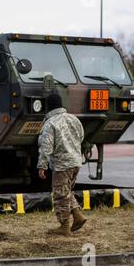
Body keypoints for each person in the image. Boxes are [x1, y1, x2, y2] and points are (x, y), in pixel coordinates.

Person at [37, 93, 87, 236]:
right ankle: (78, 216)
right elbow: (81, 136)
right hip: (76, 162)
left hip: (61, 165)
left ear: (48, 106)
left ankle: (64, 227)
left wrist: (42, 166)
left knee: (60, 195)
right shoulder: (73, 119)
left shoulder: (50, 123)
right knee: (66, 191)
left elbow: (46, 147)